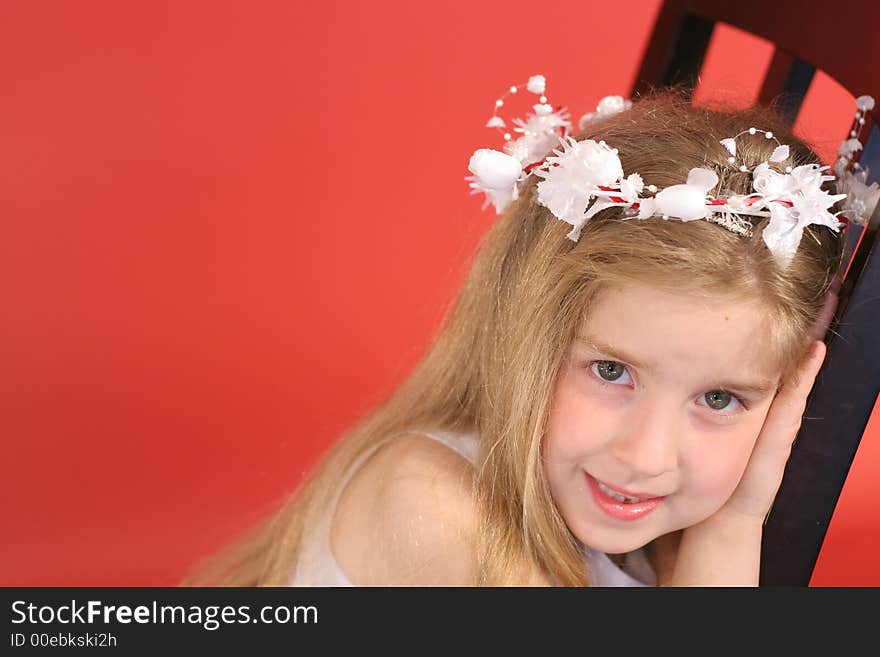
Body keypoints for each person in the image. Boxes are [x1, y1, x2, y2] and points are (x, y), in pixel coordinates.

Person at [181, 80, 876, 587]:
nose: (647, 455)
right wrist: (731, 527)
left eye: (719, 398)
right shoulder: (436, 511)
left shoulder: (634, 523)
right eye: (611, 371)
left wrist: (729, 518)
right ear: (527, 327)